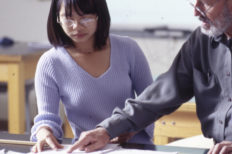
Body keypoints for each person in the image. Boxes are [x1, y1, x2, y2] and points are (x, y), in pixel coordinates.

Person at [67, 0, 232, 153]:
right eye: (193, 2)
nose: (196, 12)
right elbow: (160, 95)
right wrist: (106, 129)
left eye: (206, 3)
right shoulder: (200, 41)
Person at [30, 0, 154, 152]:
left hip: (134, 147)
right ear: (57, 19)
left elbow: (151, 103)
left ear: (99, 16)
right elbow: (47, 117)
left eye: (85, 18)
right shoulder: (50, 62)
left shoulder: (128, 49)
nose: (76, 26)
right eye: (68, 19)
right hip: (88, 150)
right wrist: (44, 132)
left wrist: (131, 129)